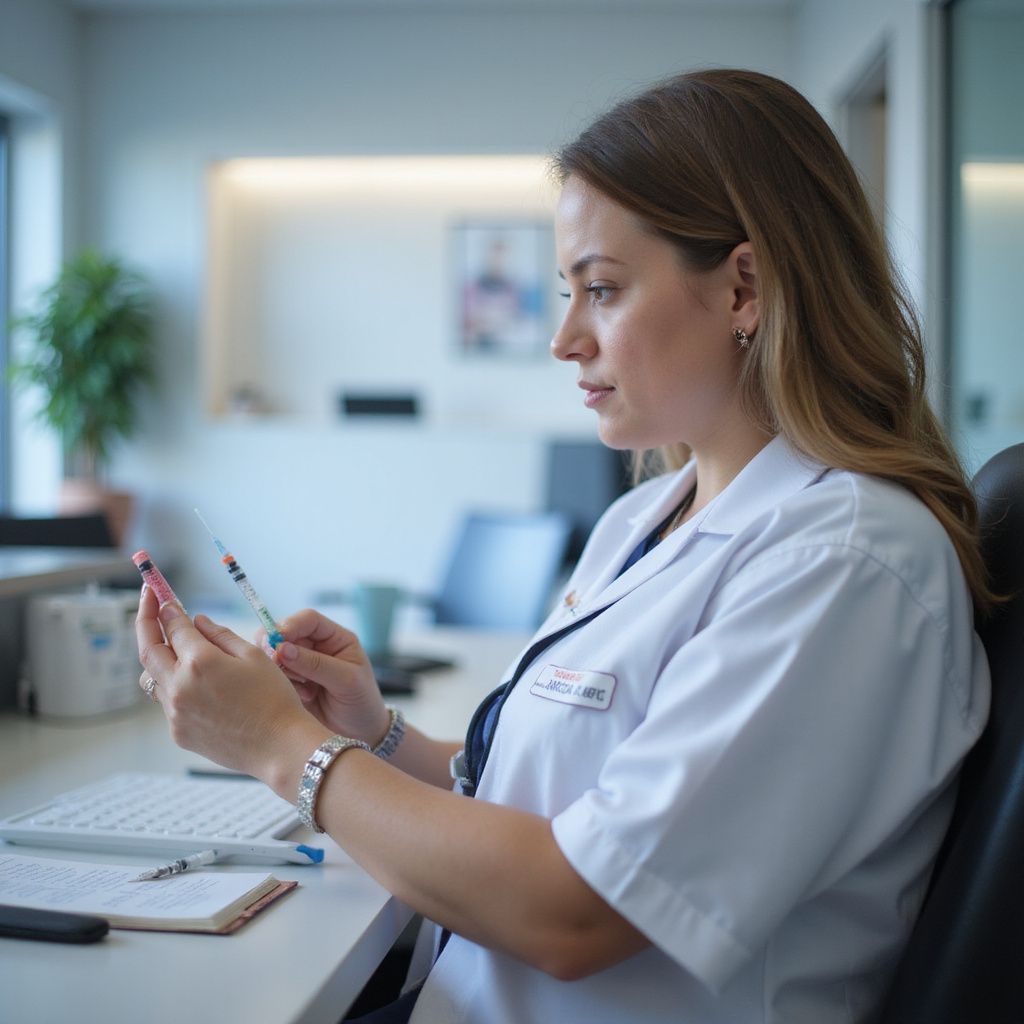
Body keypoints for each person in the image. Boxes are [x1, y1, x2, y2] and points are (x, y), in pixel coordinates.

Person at [135, 69, 992, 1023]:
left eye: (603, 291)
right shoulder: (649, 515)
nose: (564, 340)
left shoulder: (845, 563)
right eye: (566, 293)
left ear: (744, 285)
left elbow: (578, 911)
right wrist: (371, 735)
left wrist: (280, 747)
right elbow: (552, 794)